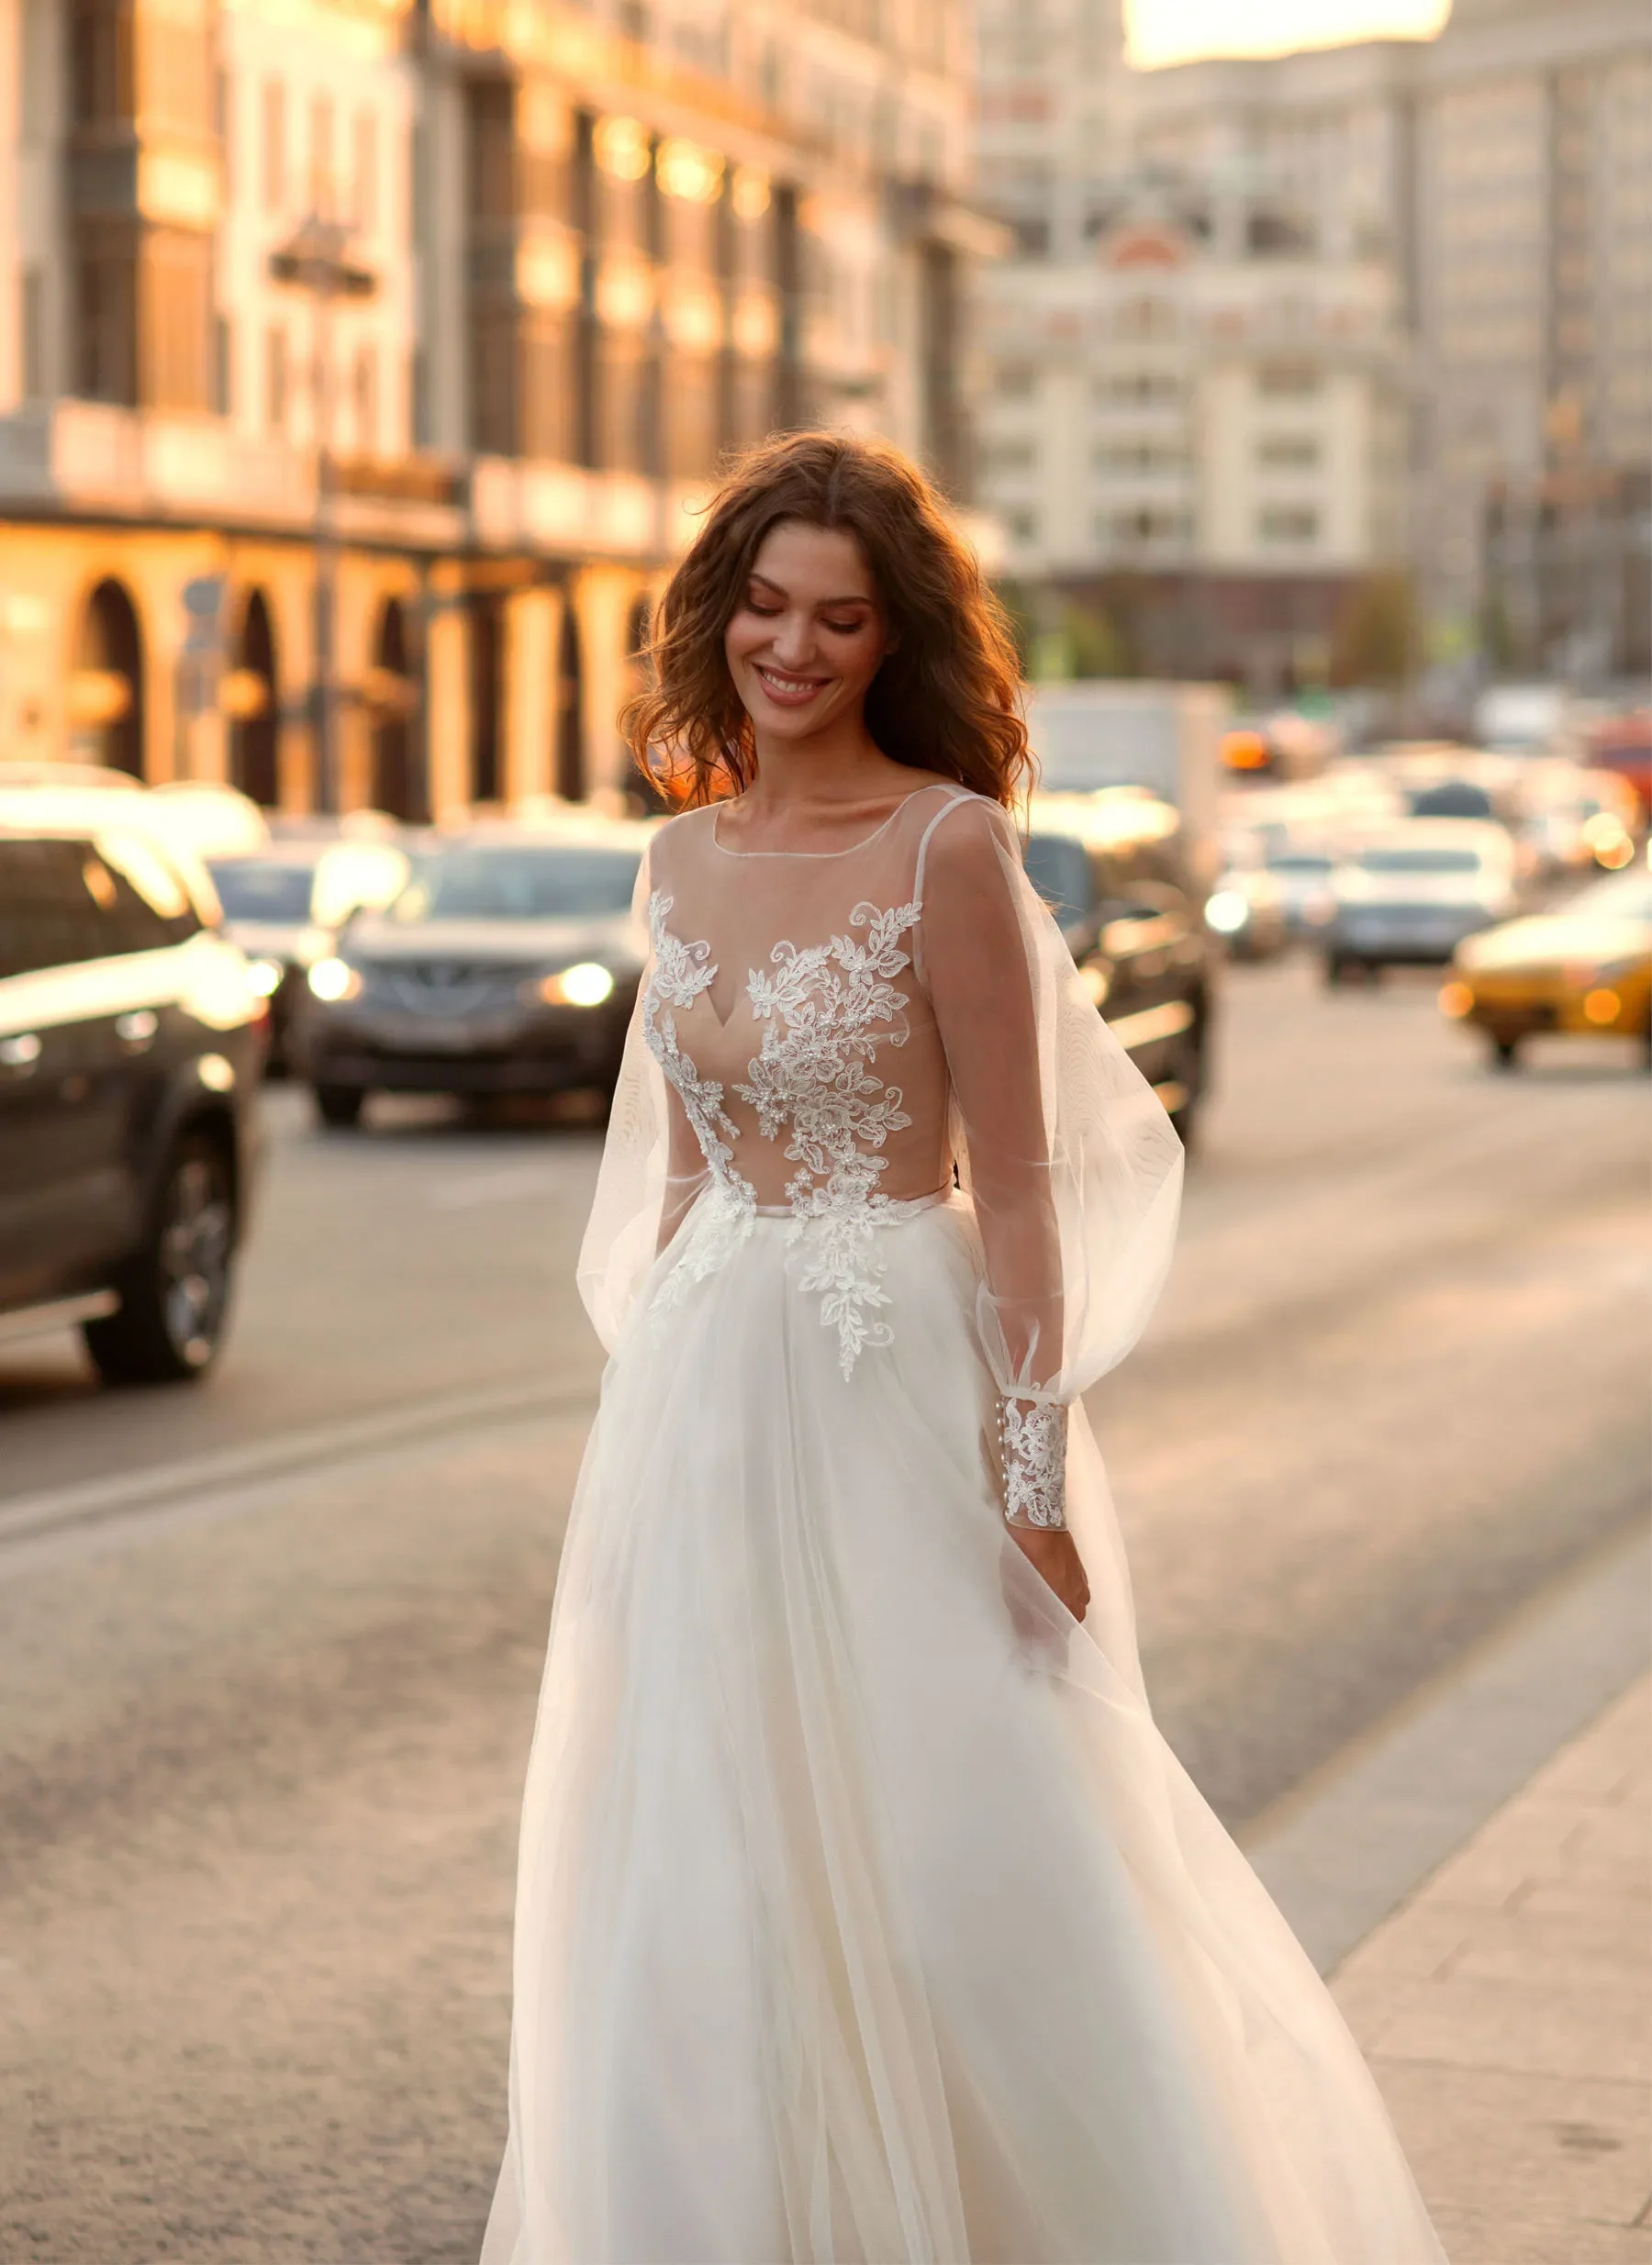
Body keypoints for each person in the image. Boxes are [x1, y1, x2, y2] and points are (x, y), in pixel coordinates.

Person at [481, 431, 1446, 2264]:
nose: (793, 646)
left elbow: (1016, 1190)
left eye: (837, 617)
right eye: (762, 606)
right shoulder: (676, 859)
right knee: (699, 1863)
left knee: (952, 1861)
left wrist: (1032, 1482)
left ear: (889, 636)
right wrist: (643, 1453)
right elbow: (683, 1178)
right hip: (701, 1397)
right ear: (718, 620)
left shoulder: (950, 844)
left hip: (895, 1392)